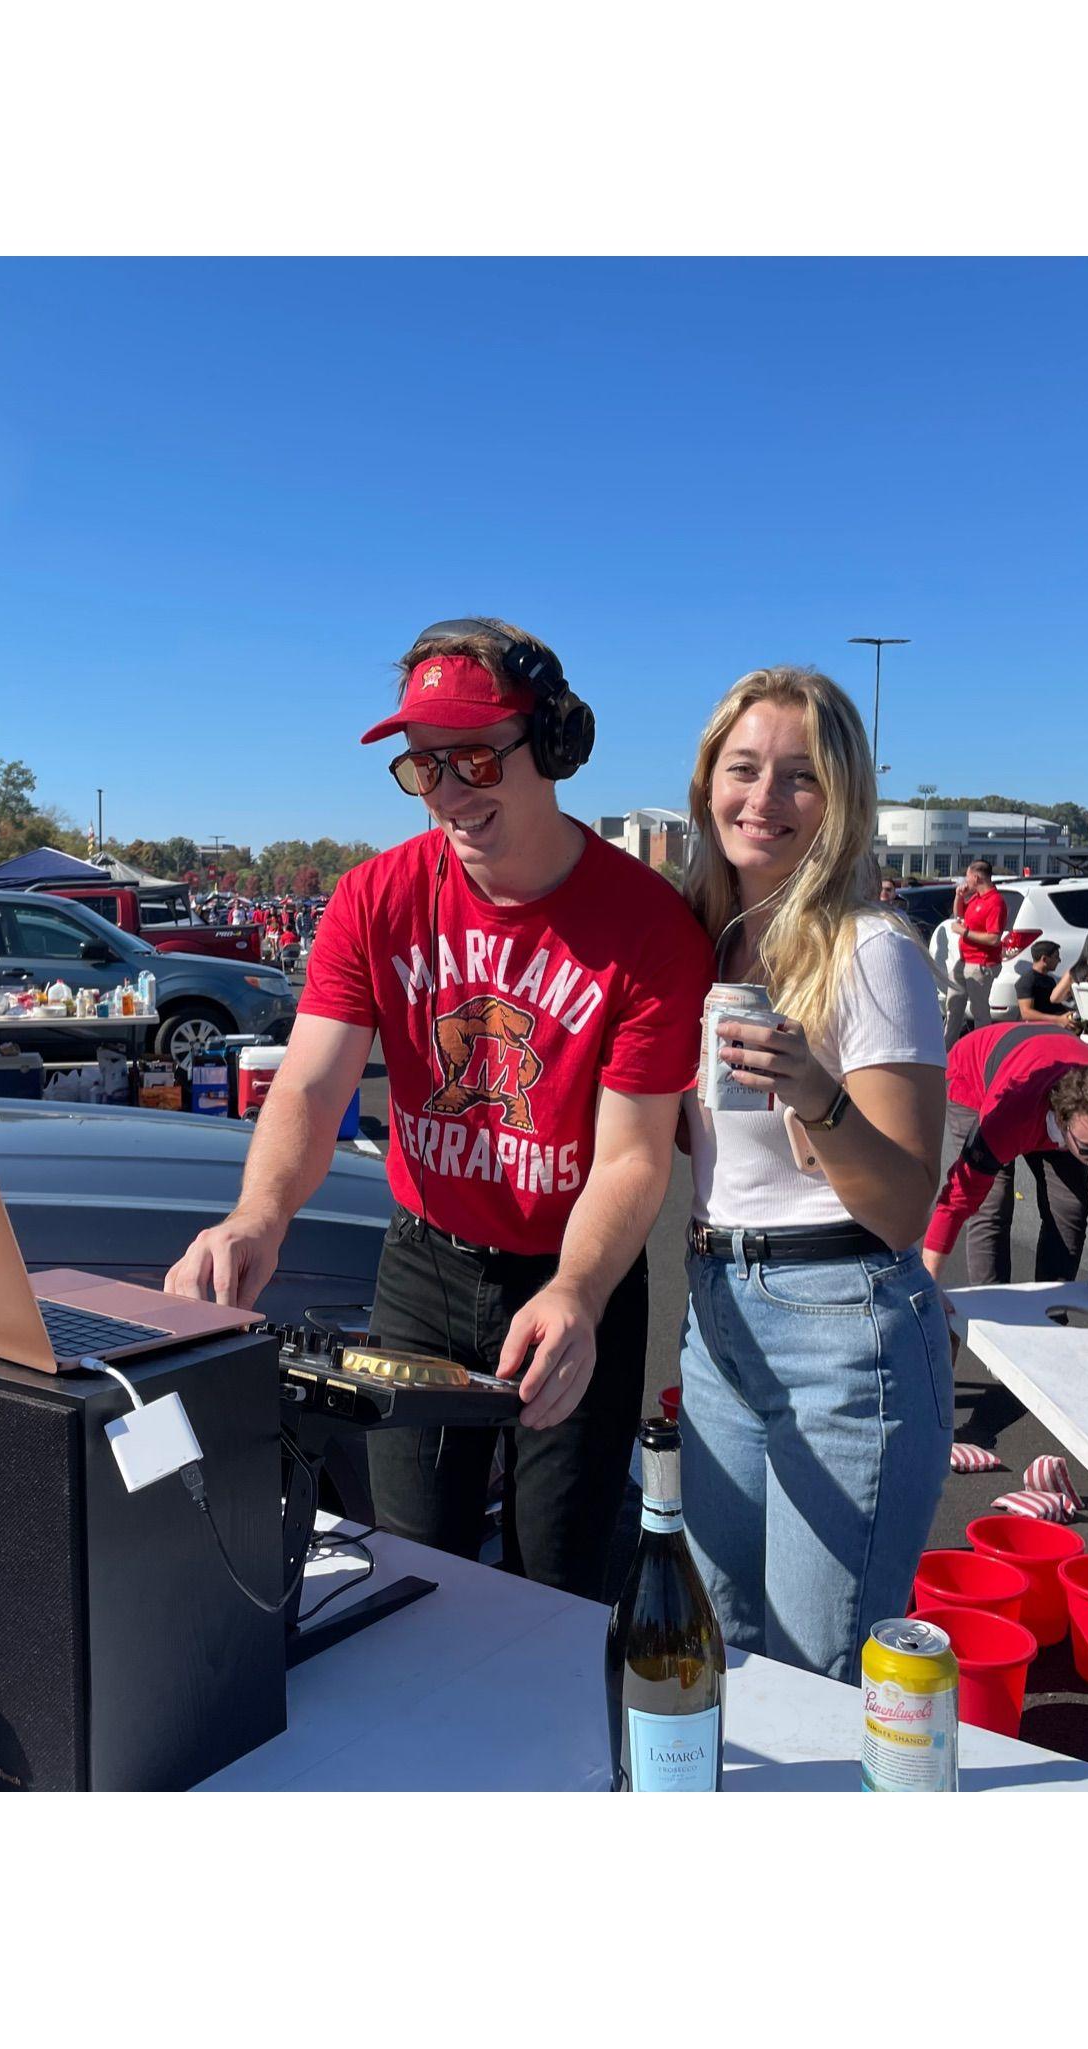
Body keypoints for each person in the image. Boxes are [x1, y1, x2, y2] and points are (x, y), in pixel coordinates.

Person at [167, 616, 712, 1600]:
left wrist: (579, 1293)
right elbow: (312, 1082)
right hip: (423, 1265)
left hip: (574, 1271)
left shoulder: (649, 928)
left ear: (551, 745)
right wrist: (258, 1216)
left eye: (473, 760)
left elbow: (635, 1153)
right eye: (425, 769)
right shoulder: (376, 897)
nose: (450, 796)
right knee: (416, 1572)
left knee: (562, 1584)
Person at [675, 665, 949, 1682]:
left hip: (844, 1323)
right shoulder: (703, 938)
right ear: (708, 783)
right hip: (719, 1314)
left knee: (813, 1670)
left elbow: (905, 1206)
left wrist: (815, 1093)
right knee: (722, 1654)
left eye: (800, 778)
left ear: (841, 800)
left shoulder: (871, 950)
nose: (764, 799)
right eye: (743, 769)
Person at [926, 1022, 1088, 1287]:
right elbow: (958, 1198)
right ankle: (990, 1305)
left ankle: (1053, 1306)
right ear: (1062, 1120)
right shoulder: (1009, 1116)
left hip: (1049, 1067)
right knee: (993, 1203)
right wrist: (927, 1285)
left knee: (1071, 1205)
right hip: (975, 1075)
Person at [944, 859, 1006, 1045]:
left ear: (977, 877)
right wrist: (959, 897)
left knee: (979, 1012)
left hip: (980, 964)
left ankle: (983, 1049)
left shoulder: (995, 902)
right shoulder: (976, 898)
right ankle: (947, 1049)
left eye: (968, 877)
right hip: (964, 960)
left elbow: (994, 938)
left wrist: (966, 933)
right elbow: (960, 915)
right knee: (953, 1007)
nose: (966, 882)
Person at [1011, 939, 1071, 1024]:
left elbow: (1054, 1006)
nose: (1059, 960)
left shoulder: (1049, 980)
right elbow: (1026, 1013)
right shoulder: (1027, 981)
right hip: (1043, 1028)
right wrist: (1059, 1020)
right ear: (1044, 959)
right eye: (1056, 957)